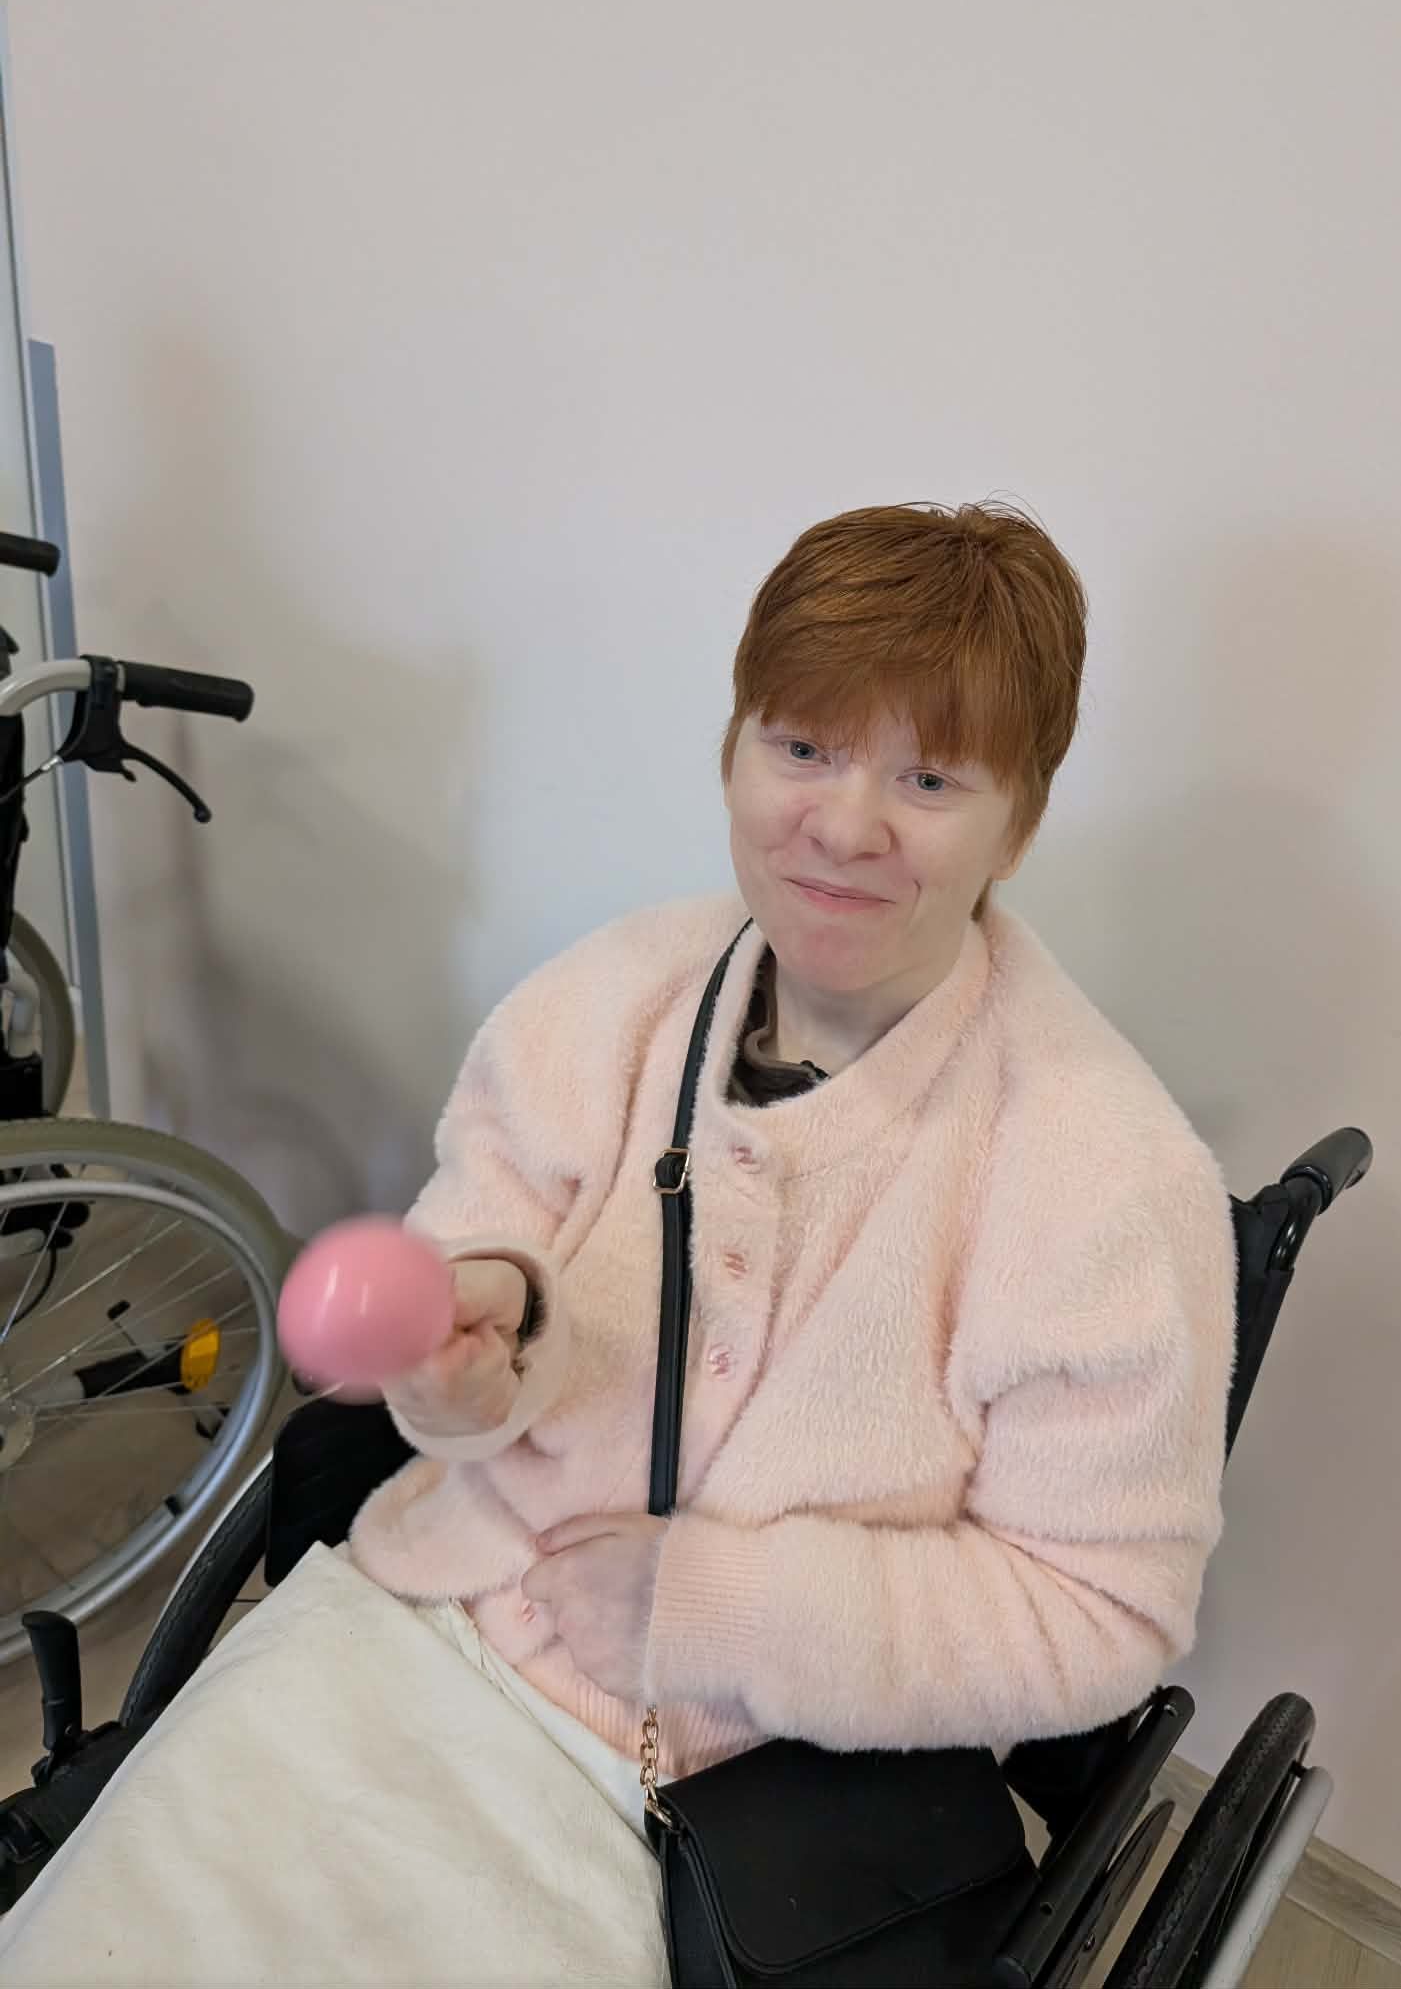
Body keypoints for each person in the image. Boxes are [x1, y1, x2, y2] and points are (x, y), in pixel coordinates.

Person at [0, 501, 1236, 1986]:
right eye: (802, 747)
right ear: (733, 750)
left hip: (707, 1800)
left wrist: (718, 1615)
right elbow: (477, 1253)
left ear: (1018, 823)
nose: (845, 825)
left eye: (927, 778)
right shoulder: (611, 1000)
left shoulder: (1106, 1181)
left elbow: (1101, 1613)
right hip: (410, 1626)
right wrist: (469, 1359)